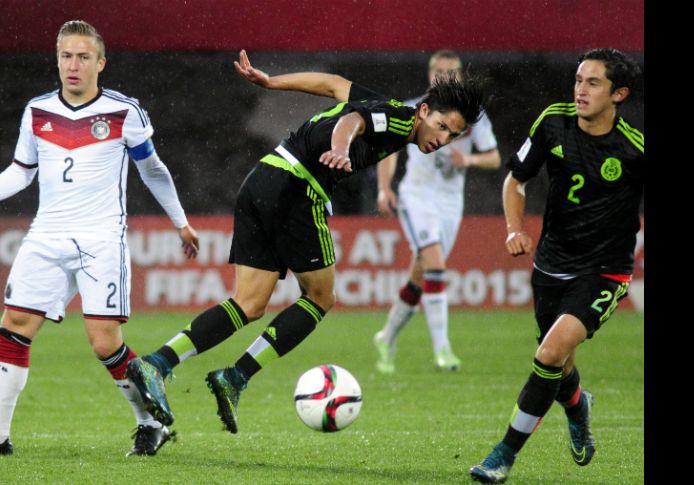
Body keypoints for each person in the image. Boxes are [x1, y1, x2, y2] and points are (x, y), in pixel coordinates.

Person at [125, 49, 485, 434]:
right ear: (424, 111)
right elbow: (352, 121)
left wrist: (272, 82)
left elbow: (332, 85)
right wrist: (340, 148)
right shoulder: (399, 119)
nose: (443, 139)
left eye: (454, 135)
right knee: (321, 297)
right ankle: (236, 376)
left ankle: (157, 363)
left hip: (263, 179)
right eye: (442, 126)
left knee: (249, 303)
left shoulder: (384, 105)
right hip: (297, 189)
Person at [0, 20, 199, 457]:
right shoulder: (37, 111)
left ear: (100, 63)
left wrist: (180, 221)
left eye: (83, 57)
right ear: (57, 60)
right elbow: (20, 172)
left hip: (100, 240)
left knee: (104, 342)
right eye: (66, 56)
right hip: (46, 236)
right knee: (13, 327)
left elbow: (153, 170)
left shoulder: (124, 112)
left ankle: (150, 424)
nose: (74, 65)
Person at [469, 48, 643, 483]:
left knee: (547, 353)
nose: (581, 90)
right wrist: (514, 229)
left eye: (593, 83)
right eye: (579, 80)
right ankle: (578, 406)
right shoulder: (553, 122)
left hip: (604, 270)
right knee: (559, 364)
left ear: (619, 94)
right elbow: (516, 180)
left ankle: (503, 455)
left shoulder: (634, 150)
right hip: (551, 264)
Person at [373, 50, 501, 373]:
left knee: (421, 274)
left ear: (461, 76)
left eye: (452, 72)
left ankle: (386, 337)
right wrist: (384, 188)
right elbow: (390, 149)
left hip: (450, 203)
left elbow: (494, 158)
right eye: (439, 71)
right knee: (436, 265)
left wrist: (468, 160)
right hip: (417, 197)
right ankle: (443, 351)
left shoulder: (473, 116)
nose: (445, 77)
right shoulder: (414, 108)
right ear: (430, 76)